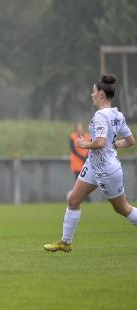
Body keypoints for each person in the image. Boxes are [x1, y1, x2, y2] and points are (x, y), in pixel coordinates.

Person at [44, 74, 136, 253]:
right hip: (94, 166)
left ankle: (65, 241)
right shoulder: (117, 114)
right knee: (73, 200)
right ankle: (65, 242)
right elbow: (130, 141)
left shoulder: (100, 116)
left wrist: (83, 144)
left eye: (93, 91)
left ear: (101, 94)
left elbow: (100, 142)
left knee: (123, 209)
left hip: (107, 171)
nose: (91, 95)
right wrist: (115, 144)